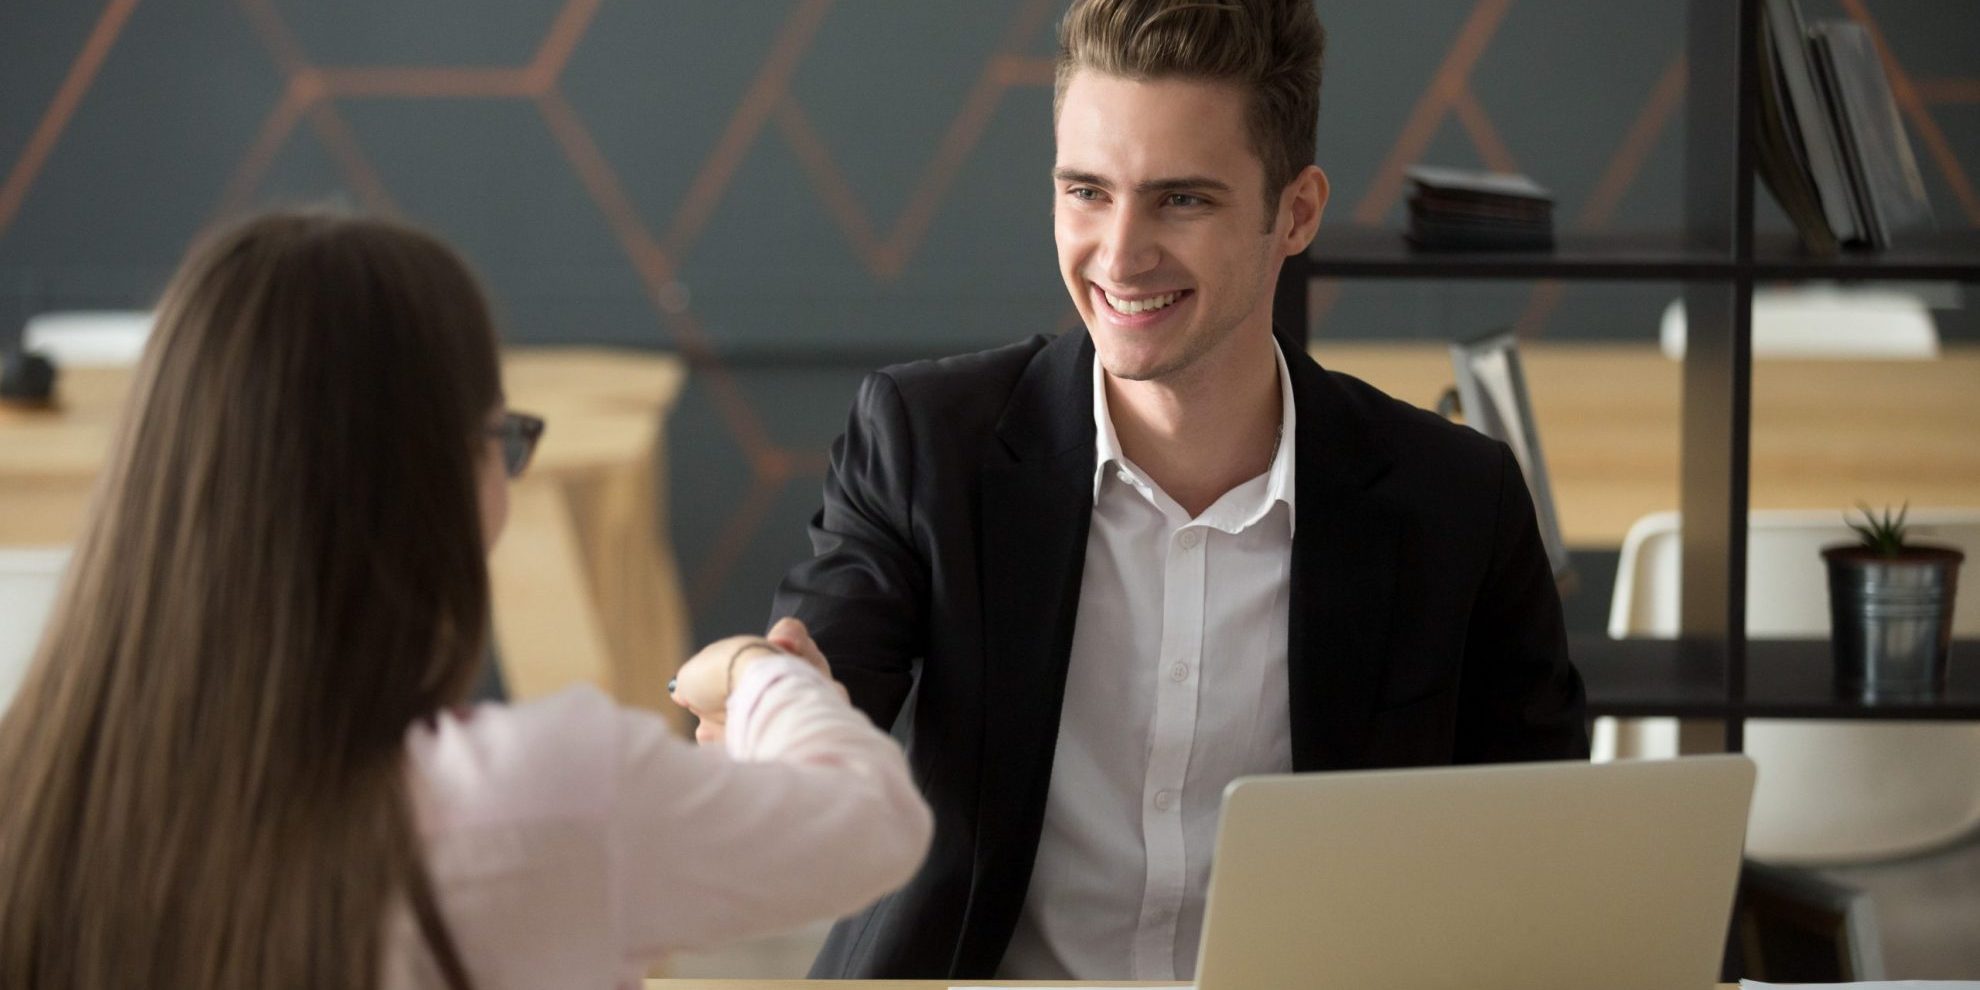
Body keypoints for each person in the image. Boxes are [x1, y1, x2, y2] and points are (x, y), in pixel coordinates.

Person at [772, 0, 1589, 981]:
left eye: (1181, 200)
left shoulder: (1458, 503)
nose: (1119, 256)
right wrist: (760, 688)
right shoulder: (924, 443)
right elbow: (813, 686)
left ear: (1296, 212)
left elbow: (1545, 856)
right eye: (1086, 192)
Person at [0, 212, 931, 989]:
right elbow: (871, 821)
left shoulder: (38, 802)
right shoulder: (548, 794)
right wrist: (758, 671)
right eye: (502, 436)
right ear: (437, 480)